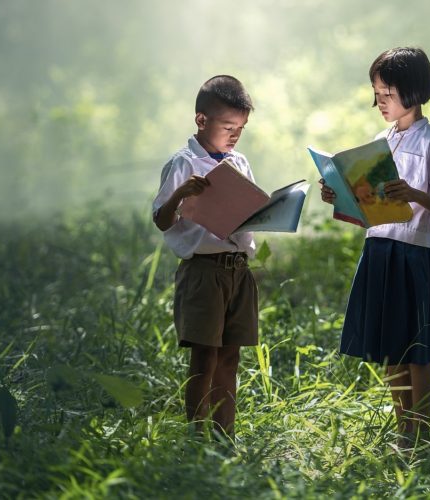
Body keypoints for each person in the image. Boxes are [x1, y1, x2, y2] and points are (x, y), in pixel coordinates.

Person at [320, 47, 430, 447]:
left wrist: (414, 192)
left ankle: (424, 434)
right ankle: (404, 431)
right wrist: (340, 194)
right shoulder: (382, 141)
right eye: (375, 94)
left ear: (412, 91)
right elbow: (366, 205)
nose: (377, 102)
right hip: (378, 248)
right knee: (391, 349)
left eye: (385, 94)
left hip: (412, 252)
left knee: (418, 348)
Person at [152, 75, 258, 439]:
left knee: (230, 357)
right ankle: (198, 436)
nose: (234, 135)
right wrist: (181, 193)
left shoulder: (239, 162)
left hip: (238, 270)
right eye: (228, 126)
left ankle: (223, 434)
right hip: (203, 272)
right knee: (204, 359)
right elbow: (161, 220)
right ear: (201, 120)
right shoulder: (183, 163)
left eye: (241, 128)